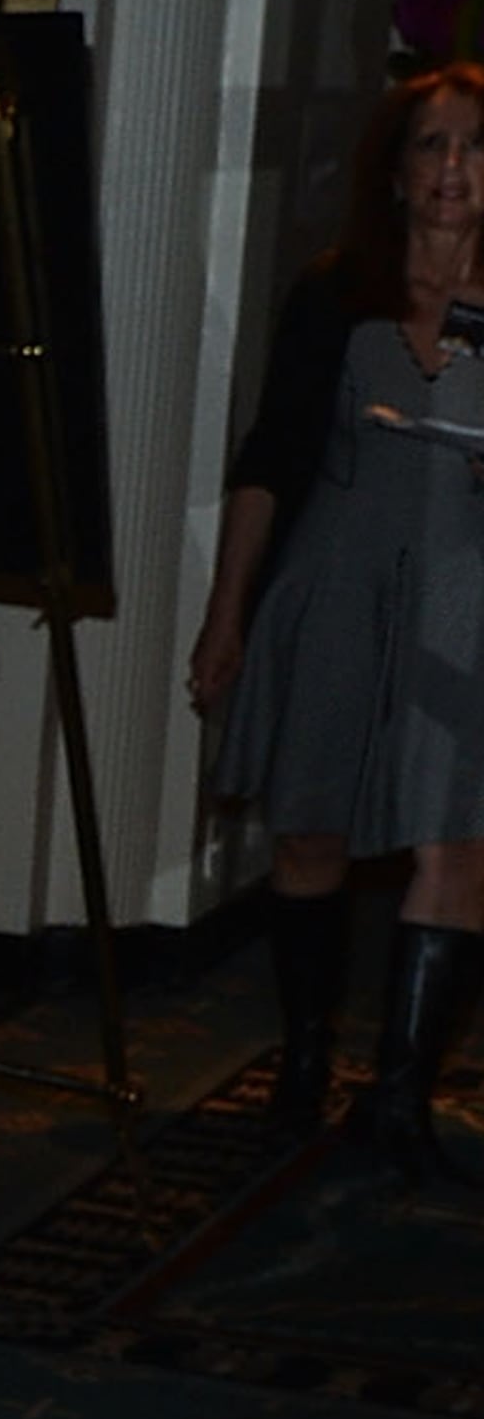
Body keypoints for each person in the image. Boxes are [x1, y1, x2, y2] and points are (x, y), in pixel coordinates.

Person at [189, 60, 484, 1178]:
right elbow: (271, 457)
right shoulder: (334, 291)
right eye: (431, 145)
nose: (453, 167)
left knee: (457, 840)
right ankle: (307, 1061)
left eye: (476, 146)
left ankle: (399, 1097)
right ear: (394, 173)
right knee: (309, 827)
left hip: (467, 602)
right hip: (336, 585)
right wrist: (227, 614)